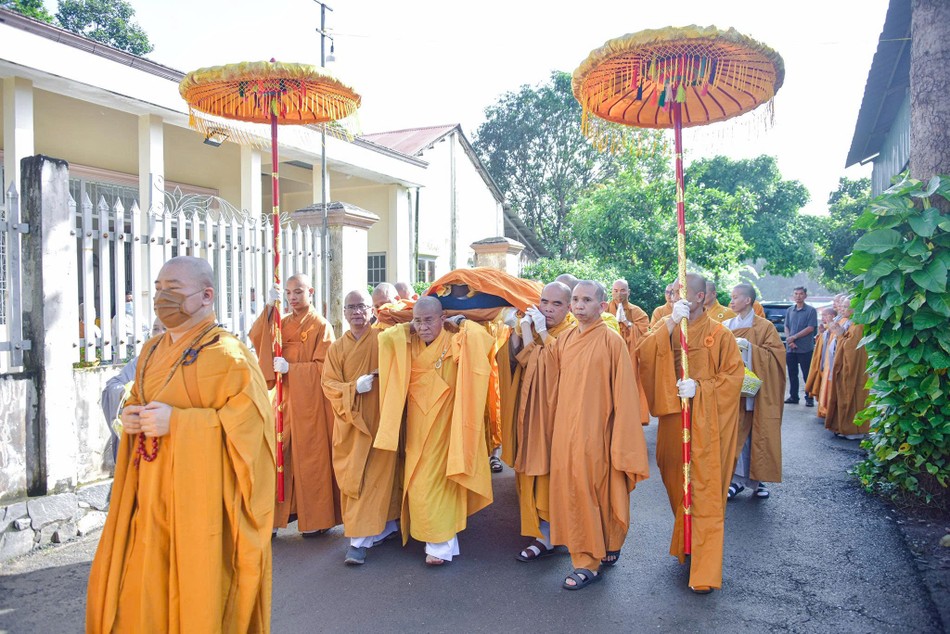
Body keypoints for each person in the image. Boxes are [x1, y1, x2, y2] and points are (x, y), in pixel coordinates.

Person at [86, 256, 275, 633]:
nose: (162, 298)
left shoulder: (230, 356)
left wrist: (180, 423)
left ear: (206, 296)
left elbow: (253, 433)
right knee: (139, 595)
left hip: (203, 508)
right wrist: (131, 417)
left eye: (173, 290)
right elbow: (137, 399)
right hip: (149, 499)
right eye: (158, 289)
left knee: (198, 599)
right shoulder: (151, 351)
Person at [637, 273, 744, 594]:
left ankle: (705, 564)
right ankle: (688, 539)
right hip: (674, 419)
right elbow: (643, 354)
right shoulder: (669, 325)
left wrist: (701, 387)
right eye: (672, 292)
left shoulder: (720, 334)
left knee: (704, 489)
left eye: (681, 292)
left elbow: (734, 378)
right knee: (674, 479)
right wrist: (671, 323)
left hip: (707, 425)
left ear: (700, 297)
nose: (674, 297)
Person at [372, 296, 495, 565]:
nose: (423, 327)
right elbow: (385, 338)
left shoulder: (456, 340)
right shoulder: (410, 343)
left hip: (447, 425)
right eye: (418, 321)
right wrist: (409, 326)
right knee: (417, 480)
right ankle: (440, 541)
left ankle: (439, 545)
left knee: (438, 481)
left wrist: (462, 322)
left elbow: (482, 340)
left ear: (443, 318)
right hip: (417, 425)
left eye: (429, 320)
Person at [547, 280, 650, 590]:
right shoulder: (564, 340)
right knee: (575, 492)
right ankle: (599, 548)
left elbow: (625, 395)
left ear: (602, 306)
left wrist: (621, 439)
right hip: (566, 431)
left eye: (587, 300)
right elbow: (554, 386)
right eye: (576, 299)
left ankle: (587, 562)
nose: (579, 305)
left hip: (598, 432)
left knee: (592, 492)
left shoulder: (611, 341)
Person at [249, 274, 341, 537]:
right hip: (284, 402)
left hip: (310, 406)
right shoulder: (282, 322)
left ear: (310, 292)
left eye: (298, 292)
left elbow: (325, 369)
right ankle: (275, 517)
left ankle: (316, 519)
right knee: (278, 455)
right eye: (288, 293)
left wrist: (292, 369)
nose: (292, 297)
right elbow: (259, 338)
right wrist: (269, 308)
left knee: (310, 459)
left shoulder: (321, 326)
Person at [321, 289, 400, 565]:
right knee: (356, 479)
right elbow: (328, 385)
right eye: (351, 307)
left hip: (380, 421)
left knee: (380, 477)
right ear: (344, 312)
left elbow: (408, 347)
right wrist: (354, 387)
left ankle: (361, 541)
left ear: (372, 311)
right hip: (351, 424)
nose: (357, 312)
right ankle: (374, 530)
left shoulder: (384, 339)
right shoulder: (336, 349)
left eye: (362, 307)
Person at [507, 281, 574, 563]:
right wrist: (518, 329)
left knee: (550, 470)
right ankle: (542, 530)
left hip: (557, 413)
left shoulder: (572, 331)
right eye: (544, 302)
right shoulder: (535, 325)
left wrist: (539, 332)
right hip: (530, 409)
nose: (548, 309)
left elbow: (556, 362)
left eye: (556, 304)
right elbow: (518, 360)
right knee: (530, 467)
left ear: (569, 307)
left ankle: (550, 534)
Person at [723, 284, 786, 501]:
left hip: (758, 391)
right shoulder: (726, 325)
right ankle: (736, 480)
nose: (731, 301)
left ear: (748, 300)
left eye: (735, 297)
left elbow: (776, 357)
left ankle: (758, 481)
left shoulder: (765, 327)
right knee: (736, 434)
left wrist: (750, 348)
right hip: (734, 390)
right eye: (731, 297)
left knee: (759, 433)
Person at [100, 318, 166, 462]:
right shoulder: (141, 360)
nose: (159, 333)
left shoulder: (186, 362)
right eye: (155, 329)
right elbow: (113, 385)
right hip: (139, 440)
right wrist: (125, 394)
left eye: (165, 329)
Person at [824, 298, 870, 440]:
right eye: (842, 306)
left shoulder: (859, 326)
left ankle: (854, 430)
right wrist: (840, 333)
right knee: (843, 395)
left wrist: (839, 334)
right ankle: (843, 426)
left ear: (855, 309)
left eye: (845, 307)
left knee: (853, 396)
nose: (841, 309)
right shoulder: (850, 323)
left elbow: (852, 350)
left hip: (854, 370)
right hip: (844, 367)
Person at [609, 279, 652, 425]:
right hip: (609, 355)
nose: (619, 294)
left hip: (630, 357)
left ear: (629, 292)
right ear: (611, 292)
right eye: (615, 290)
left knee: (628, 388)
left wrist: (627, 323)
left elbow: (645, 336)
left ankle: (631, 421)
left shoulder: (637, 312)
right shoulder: (604, 309)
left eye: (622, 290)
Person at [784, 287, 818, 406]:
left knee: (807, 374)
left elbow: (810, 328)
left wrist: (795, 337)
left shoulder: (811, 311)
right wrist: (790, 340)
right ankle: (793, 396)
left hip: (805, 348)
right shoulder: (790, 310)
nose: (798, 296)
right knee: (792, 373)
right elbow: (786, 326)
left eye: (801, 294)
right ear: (793, 296)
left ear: (805, 296)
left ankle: (809, 397)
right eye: (796, 294)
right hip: (791, 348)